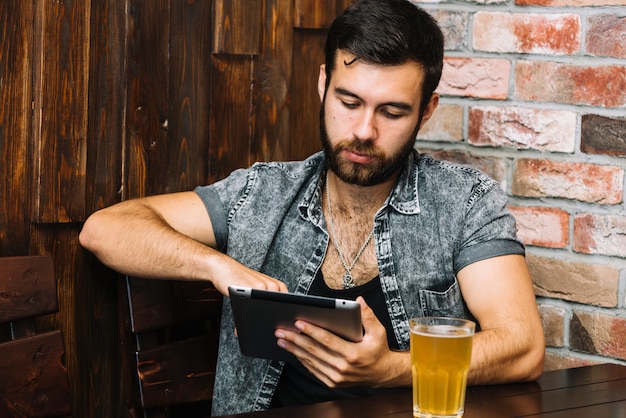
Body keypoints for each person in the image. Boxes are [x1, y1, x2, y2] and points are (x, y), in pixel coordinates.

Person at [79, 0, 545, 415]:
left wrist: (392, 369)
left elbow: (523, 348)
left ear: (426, 110)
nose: (364, 130)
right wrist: (218, 268)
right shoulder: (262, 192)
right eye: (349, 101)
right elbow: (105, 229)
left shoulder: (463, 201)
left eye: (392, 112)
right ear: (323, 84)